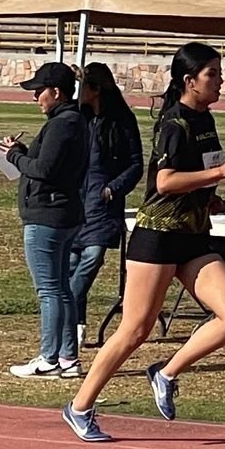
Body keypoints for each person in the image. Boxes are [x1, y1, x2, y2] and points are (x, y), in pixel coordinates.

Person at [62, 42, 225, 442]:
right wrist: (219, 176)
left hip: (194, 237)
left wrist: (208, 194)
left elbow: (196, 173)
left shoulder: (205, 120)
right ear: (189, 81)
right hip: (158, 237)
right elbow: (164, 182)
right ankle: (79, 407)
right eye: (212, 74)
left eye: (219, 72)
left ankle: (165, 372)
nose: (220, 80)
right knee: (136, 329)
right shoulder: (174, 123)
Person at [2, 62, 89, 379]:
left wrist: (14, 157)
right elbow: (49, 162)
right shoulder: (72, 121)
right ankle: (67, 359)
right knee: (62, 288)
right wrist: (24, 152)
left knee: (49, 290)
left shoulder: (62, 124)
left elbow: (45, 170)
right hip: (64, 213)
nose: (35, 97)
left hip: (48, 216)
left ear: (56, 91)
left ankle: (49, 357)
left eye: (39, 91)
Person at [71, 62, 144, 346]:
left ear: (97, 89)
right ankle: (75, 326)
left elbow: (136, 164)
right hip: (78, 201)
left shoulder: (122, 121)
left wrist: (112, 189)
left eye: (83, 87)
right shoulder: (80, 117)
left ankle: (68, 315)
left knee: (91, 259)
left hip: (103, 205)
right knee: (71, 262)